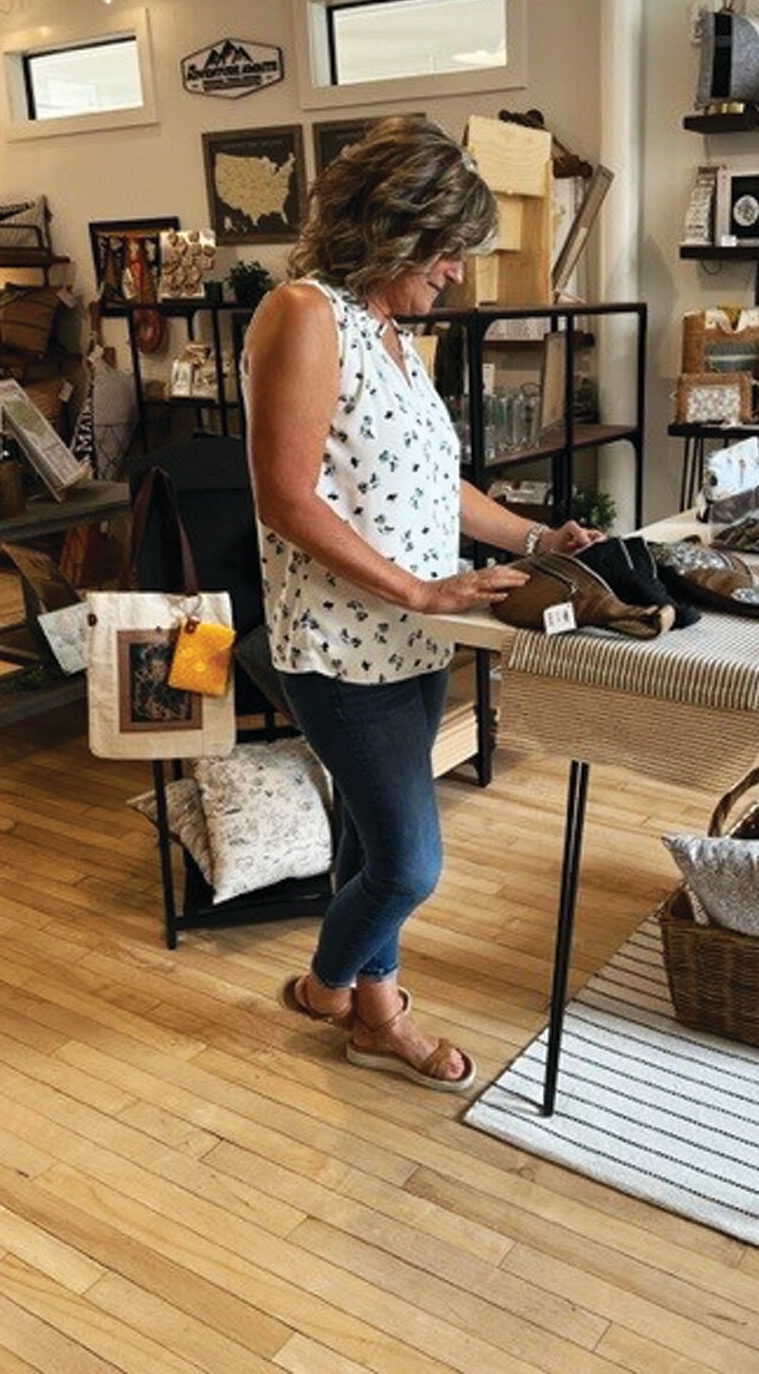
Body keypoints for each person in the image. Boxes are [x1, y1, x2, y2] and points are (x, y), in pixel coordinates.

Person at [244, 116, 600, 1092]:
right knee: (408, 867)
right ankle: (336, 987)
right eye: (445, 253)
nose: (454, 274)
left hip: (414, 641)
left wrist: (534, 538)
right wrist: (418, 587)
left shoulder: (393, 337)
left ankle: (367, 1012)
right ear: (392, 230)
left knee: (370, 837)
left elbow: (435, 486)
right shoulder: (302, 315)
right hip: (339, 648)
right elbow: (285, 496)